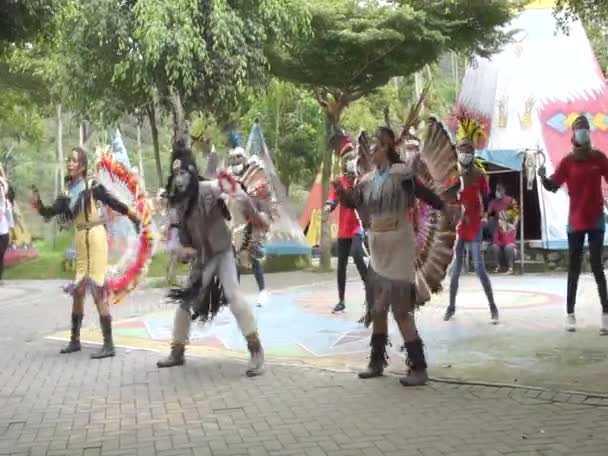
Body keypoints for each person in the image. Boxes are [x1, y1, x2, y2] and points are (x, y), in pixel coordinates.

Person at [333, 126, 453, 386]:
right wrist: (342, 196)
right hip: (377, 247)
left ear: (387, 147)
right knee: (377, 309)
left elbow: (423, 193)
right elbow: (354, 202)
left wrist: (445, 207)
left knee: (400, 311)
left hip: (399, 245)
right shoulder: (366, 180)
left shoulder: (402, 175)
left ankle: (419, 367)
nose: (372, 151)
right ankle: (377, 362)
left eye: (376, 146)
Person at [157, 142, 267, 376]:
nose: (179, 179)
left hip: (223, 251)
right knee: (186, 302)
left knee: (234, 297)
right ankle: (177, 350)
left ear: (191, 171)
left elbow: (239, 194)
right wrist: (180, 250)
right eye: (175, 174)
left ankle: (256, 349)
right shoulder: (176, 204)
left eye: (183, 173)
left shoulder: (209, 189)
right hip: (202, 258)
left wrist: (256, 217)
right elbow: (174, 236)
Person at [31, 147, 140, 358]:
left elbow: (112, 201)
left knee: (97, 287)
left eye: (74, 161)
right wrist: (39, 206)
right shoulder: (68, 191)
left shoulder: (91, 186)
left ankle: (109, 345)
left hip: (96, 236)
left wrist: (133, 215)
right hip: (81, 238)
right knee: (78, 289)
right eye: (69, 160)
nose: (70, 164)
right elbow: (52, 212)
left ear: (82, 165)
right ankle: (75, 340)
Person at [539, 114, 608, 335]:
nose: (582, 132)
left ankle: (606, 315)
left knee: (597, 267)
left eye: (585, 129)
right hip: (576, 221)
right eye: (579, 129)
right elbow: (553, 185)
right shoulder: (568, 162)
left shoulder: (599, 157)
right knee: (574, 268)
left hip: (596, 218)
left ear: (589, 133)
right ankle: (570, 314)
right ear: (573, 135)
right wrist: (542, 178)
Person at [444, 140, 499, 323]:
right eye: (462, 151)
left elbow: (485, 196)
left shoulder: (478, 174)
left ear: (473, 154)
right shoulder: (452, 174)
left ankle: (493, 308)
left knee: (479, 268)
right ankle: (451, 307)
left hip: (474, 225)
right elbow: (447, 198)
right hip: (458, 226)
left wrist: (482, 213)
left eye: (469, 152)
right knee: (455, 270)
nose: (465, 154)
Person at [325, 134, 367, 315]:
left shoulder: (362, 181)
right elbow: (332, 200)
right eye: (347, 160)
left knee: (358, 255)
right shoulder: (338, 183)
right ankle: (341, 300)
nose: (350, 162)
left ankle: (370, 292)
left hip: (358, 226)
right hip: (343, 230)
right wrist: (328, 207)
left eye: (352, 159)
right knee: (341, 265)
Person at [226, 145, 273, 307]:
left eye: (238, 157)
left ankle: (263, 291)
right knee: (234, 260)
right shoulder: (230, 177)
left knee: (252, 258)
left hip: (252, 224)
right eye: (233, 159)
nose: (236, 161)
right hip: (235, 224)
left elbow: (261, 200)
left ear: (244, 158)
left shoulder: (255, 174)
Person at [488, 183, 519, 274]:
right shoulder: (493, 202)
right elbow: (488, 212)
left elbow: (517, 214)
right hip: (499, 226)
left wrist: (513, 225)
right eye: (497, 190)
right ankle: (499, 267)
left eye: (500, 190)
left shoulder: (510, 200)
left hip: (509, 226)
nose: (498, 192)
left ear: (504, 190)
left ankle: (510, 268)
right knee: (495, 245)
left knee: (508, 246)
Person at [0, 177, 15, 284]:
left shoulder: (6, 204)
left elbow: (10, 220)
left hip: (3, 233)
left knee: (1, 255)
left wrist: (13, 235)